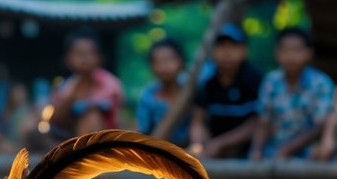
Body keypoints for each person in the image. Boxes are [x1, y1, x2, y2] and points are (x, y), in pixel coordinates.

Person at [249, 27, 334, 161]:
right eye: (286, 50)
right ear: (277, 53)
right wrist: (256, 150)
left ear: (308, 53)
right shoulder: (271, 81)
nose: (291, 56)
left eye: (297, 50)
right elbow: (263, 121)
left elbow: (320, 125)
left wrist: (288, 149)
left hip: (309, 152)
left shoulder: (321, 83)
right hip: (273, 150)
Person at [189, 23, 261, 159]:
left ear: (245, 50)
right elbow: (198, 120)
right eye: (222, 46)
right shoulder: (206, 78)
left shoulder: (254, 78)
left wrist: (221, 143)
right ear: (213, 50)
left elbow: (256, 123)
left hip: (247, 152)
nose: (227, 52)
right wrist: (198, 144)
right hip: (212, 150)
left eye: (233, 46)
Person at [45, 28, 124, 138]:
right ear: (67, 58)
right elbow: (56, 120)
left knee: (92, 115)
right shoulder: (64, 86)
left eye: (90, 53)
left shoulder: (111, 84)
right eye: (80, 53)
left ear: (100, 58)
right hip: (71, 135)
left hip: (104, 137)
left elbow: (117, 116)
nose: (85, 59)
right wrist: (72, 97)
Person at [135, 38, 192, 147]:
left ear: (181, 61)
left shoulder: (191, 91)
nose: (164, 66)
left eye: (169, 59)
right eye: (158, 61)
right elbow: (142, 129)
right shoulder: (148, 95)